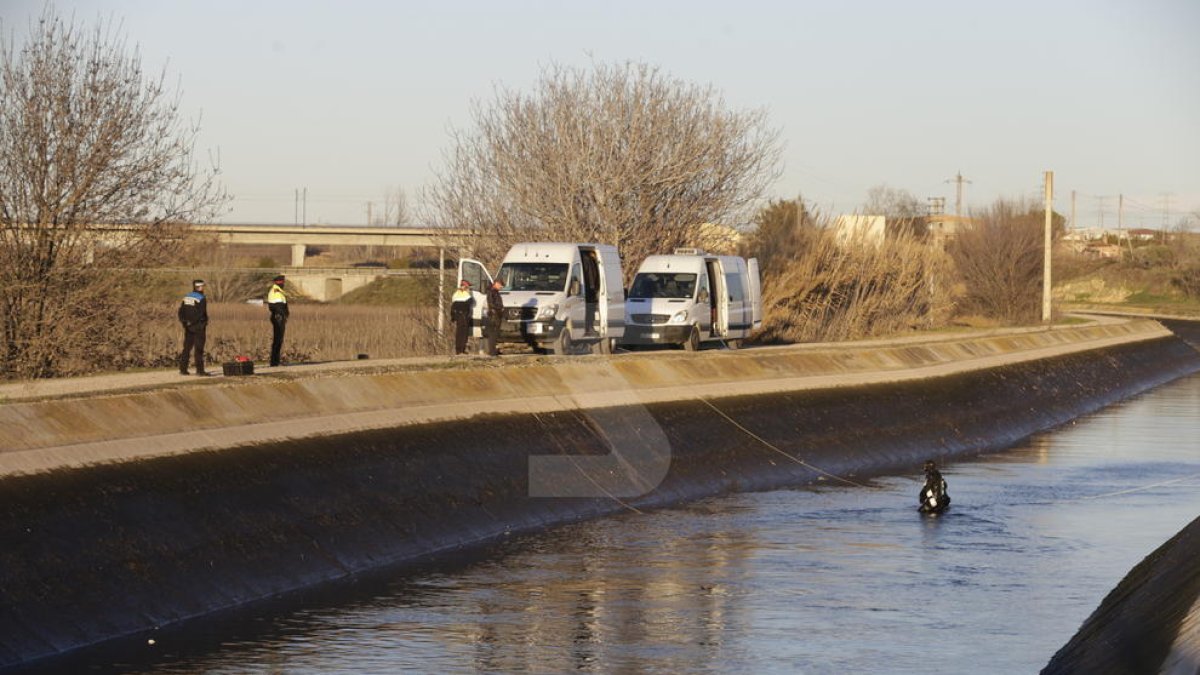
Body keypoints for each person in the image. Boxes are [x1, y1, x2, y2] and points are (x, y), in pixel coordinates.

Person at [178, 279, 209, 376]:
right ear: (199, 287)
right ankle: (200, 371)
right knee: (199, 348)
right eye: (203, 286)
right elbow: (201, 313)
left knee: (186, 348)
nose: (203, 288)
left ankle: (183, 369)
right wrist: (203, 322)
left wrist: (185, 323)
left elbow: (180, 312)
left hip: (188, 326)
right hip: (198, 326)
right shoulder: (201, 298)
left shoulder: (186, 297)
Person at [267, 274, 289, 367]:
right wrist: (283, 315)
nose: (283, 283)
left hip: (279, 316)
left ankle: (275, 361)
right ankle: (274, 362)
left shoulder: (279, 291)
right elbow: (277, 306)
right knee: (277, 339)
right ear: (279, 282)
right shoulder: (276, 292)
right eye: (282, 282)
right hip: (278, 317)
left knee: (279, 339)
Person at [449, 279, 474, 355]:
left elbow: (453, 306)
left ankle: (459, 350)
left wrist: (453, 317)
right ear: (465, 287)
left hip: (458, 315)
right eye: (468, 287)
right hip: (463, 315)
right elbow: (471, 302)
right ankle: (461, 350)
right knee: (463, 333)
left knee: (459, 333)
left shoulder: (455, 294)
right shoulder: (466, 294)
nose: (469, 288)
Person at [482, 279, 504, 357]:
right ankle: (492, 351)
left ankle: (493, 350)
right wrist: (498, 308)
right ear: (496, 284)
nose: (501, 287)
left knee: (495, 333)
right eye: (500, 285)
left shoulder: (495, 292)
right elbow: (491, 303)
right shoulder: (491, 292)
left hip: (496, 313)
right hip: (493, 314)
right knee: (493, 333)